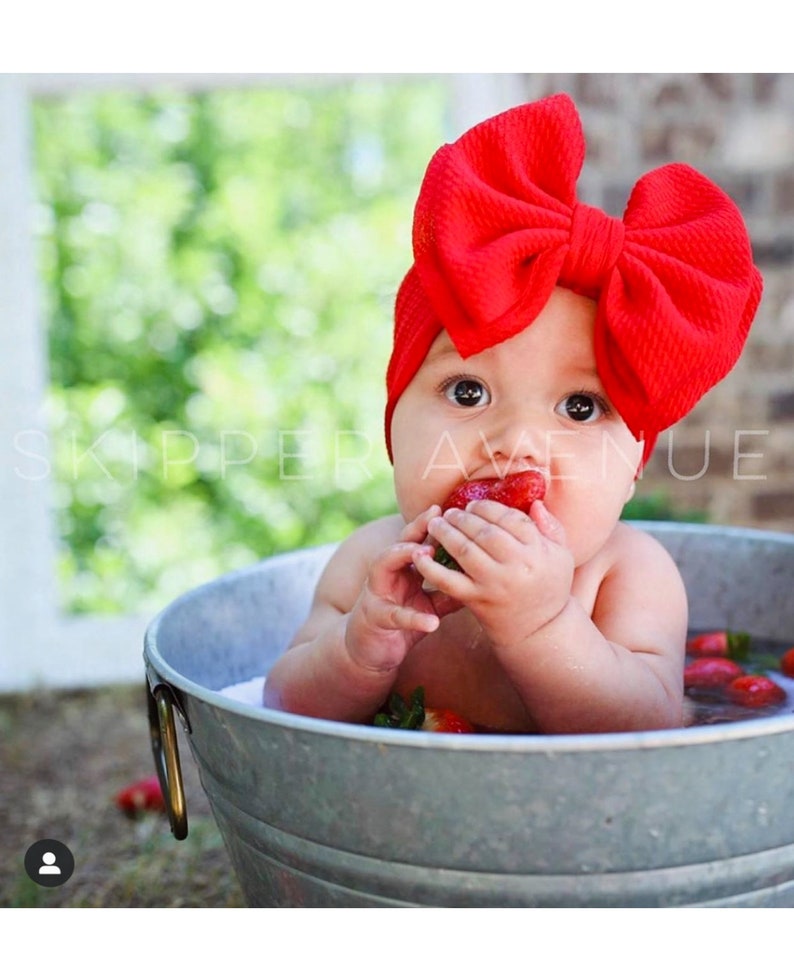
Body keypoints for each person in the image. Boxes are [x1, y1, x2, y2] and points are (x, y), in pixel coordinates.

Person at [263, 93, 762, 734]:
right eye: (467, 392)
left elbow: (648, 729)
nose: (516, 443)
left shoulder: (627, 575)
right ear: (393, 422)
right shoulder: (373, 562)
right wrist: (357, 651)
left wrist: (542, 626)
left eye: (580, 407)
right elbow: (280, 706)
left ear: (633, 465)